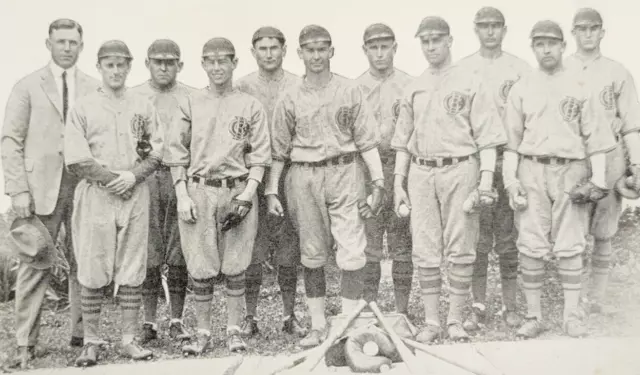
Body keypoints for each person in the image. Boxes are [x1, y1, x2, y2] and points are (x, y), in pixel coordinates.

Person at [267, 24, 385, 348]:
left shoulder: (349, 90)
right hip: (303, 175)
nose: (316, 55)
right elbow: (278, 151)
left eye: (322, 49)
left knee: (352, 250)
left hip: (345, 170)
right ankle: (318, 325)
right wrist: (270, 191)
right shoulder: (289, 95)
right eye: (310, 49)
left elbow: (367, 142)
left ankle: (346, 325)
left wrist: (378, 183)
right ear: (300, 53)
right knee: (313, 252)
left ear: (331, 51)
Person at [391, 16, 506, 343]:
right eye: (425, 41)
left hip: (460, 167)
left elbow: (488, 139)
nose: (430, 46)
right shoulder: (414, 85)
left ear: (450, 41)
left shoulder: (471, 80)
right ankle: (432, 321)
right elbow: (402, 140)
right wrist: (399, 183)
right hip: (421, 170)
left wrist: (485, 181)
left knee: (461, 245)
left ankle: (454, 319)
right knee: (425, 247)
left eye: (436, 40)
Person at [502, 20, 617, 339]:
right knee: (531, 244)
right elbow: (511, 142)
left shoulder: (580, 85)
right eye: (540, 43)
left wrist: (598, 180)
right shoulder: (522, 86)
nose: (546, 49)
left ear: (563, 46)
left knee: (570, 244)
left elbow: (596, 139)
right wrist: (511, 181)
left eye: (552, 43)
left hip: (571, 169)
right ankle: (534, 315)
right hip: (532, 168)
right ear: (533, 47)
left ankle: (571, 315)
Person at [1, 18, 99, 371]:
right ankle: (25, 344)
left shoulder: (93, 87)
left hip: (83, 187)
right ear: (49, 44)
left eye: (73, 42)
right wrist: (17, 189)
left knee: (84, 263)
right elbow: (11, 140)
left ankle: (83, 336)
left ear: (81, 46)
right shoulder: (27, 86)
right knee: (34, 264)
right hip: (40, 190)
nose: (67, 48)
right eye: (61, 42)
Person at [163, 37, 271, 355]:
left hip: (236, 187)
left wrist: (248, 195)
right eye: (210, 60)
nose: (217, 67)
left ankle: (235, 331)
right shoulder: (191, 102)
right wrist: (182, 195)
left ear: (235, 63)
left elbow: (260, 155)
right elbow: (175, 152)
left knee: (236, 264)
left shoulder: (249, 104)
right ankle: (202, 332)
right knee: (200, 265)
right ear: (203, 64)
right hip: (198, 188)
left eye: (223, 60)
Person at [65, 40, 163, 366]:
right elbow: (77, 158)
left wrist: (133, 176)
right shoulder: (83, 106)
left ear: (130, 66)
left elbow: (156, 152)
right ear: (99, 67)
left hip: (134, 191)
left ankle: (129, 339)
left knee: (132, 267)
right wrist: (112, 179)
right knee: (93, 267)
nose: (116, 70)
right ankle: (91, 341)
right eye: (110, 64)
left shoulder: (142, 104)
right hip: (97, 192)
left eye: (122, 64)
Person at [454, 7, 531, 331]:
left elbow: (531, 115)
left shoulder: (519, 68)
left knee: (509, 238)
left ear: (504, 29)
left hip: (511, 159)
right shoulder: (463, 69)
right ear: (474, 29)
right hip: (477, 162)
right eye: (483, 26)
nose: (489, 32)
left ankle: (511, 306)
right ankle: (478, 306)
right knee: (478, 239)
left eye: (495, 26)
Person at [564, 8, 640, 315]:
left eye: (593, 28)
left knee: (604, 231)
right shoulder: (561, 69)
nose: (587, 34)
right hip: (574, 157)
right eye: (581, 29)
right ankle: (576, 298)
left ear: (602, 32)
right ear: (573, 33)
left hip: (609, 158)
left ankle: (598, 296)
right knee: (574, 231)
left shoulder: (617, 72)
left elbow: (631, 125)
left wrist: (635, 165)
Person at [235, 26, 306, 338]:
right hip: (253, 173)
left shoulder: (297, 84)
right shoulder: (242, 87)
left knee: (289, 247)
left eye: (273, 48)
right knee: (253, 247)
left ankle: (291, 314)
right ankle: (249, 317)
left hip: (290, 171)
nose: (268, 54)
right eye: (262, 49)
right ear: (253, 52)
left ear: (284, 49)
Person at [130, 39, 196, 343]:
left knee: (179, 251)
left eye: (170, 61)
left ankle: (177, 319)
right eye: (158, 61)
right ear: (147, 63)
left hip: (180, 178)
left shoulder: (192, 97)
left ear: (180, 65)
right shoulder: (133, 97)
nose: (164, 66)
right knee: (149, 253)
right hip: (146, 178)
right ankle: (148, 321)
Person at [354, 23, 414, 315]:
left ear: (395, 48)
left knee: (402, 240)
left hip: (401, 167)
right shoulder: (355, 88)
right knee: (370, 242)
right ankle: (370, 307)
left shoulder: (409, 84)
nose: (379, 53)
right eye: (373, 47)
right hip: (367, 171)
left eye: (385, 46)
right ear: (364, 50)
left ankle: (402, 310)